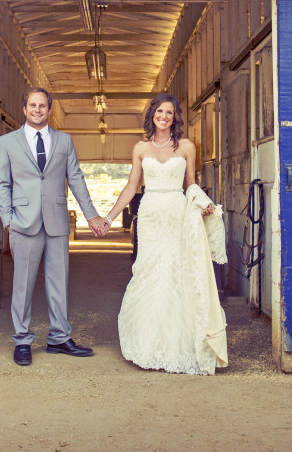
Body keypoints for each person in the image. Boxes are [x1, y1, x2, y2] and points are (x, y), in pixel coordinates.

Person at [102, 92, 228, 375]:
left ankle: (179, 343)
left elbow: (190, 185)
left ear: (175, 117)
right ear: (152, 115)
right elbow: (132, 187)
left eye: (169, 112)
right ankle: (148, 343)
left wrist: (203, 204)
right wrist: (109, 217)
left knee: (176, 270)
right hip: (149, 215)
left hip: (176, 212)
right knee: (149, 270)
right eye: (159, 112)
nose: (164, 116)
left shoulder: (186, 146)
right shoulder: (140, 149)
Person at [0, 87, 110, 367]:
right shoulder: (7, 142)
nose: (37, 110)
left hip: (57, 222)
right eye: (32, 105)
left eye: (42, 106)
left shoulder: (64, 141)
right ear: (24, 109)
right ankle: (22, 339)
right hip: (23, 222)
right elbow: (2, 184)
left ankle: (59, 337)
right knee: (22, 284)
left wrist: (91, 215)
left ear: (49, 110)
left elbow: (77, 178)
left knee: (59, 283)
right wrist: (8, 220)